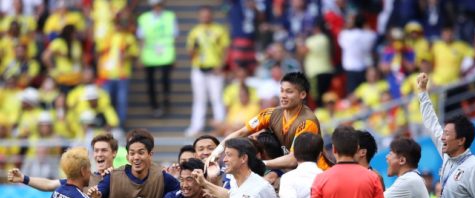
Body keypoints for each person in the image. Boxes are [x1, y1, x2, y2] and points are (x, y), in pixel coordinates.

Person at [208, 71, 330, 170]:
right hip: (294, 172)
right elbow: (241, 133)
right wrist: (217, 151)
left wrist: (260, 163)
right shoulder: (270, 114)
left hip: (319, 173)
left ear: (302, 95)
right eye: (282, 90)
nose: (283, 95)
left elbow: (293, 159)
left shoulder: (307, 122)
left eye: (289, 92)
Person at [185, 6, 230, 136]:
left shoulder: (219, 30)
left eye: (207, 14)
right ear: (199, 16)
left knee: (217, 98)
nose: (205, 17)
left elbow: (226, 49)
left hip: (215, 69)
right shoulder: (195, 31)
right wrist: (194, 49)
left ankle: (221, 126)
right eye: (203, 15)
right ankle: (196, 126)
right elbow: (190, 52)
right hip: (199, 69)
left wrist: (221, 66)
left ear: (212, 15)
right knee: (199, 99)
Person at [137, 0, 178, 117]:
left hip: (166, 54)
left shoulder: (170, 16)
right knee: (151, 83)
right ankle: (154, 106)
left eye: (159, 5)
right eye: (156, 5)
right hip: (150, 55)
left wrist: (174, 56)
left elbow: (173, 37)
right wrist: (141, 56)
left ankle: (165, 102)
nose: (157, 7)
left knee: (165, 81)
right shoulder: (144, 18)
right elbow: (142, 39)